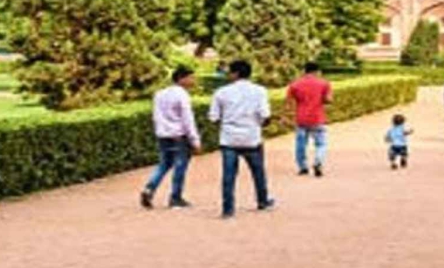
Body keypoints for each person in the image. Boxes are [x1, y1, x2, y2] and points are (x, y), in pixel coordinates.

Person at [209, 60, 276, 218]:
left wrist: (227, 124)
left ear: (235, 74)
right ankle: (262, 200)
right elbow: (266, 115)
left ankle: (228, 209)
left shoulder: (221, 92)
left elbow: (213, 117)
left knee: (228, 175)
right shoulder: (260, 91)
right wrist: (259, 125)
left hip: (229, 138)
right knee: (258, 171)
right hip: (251, 137)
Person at [141, 66, 201, 209]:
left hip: (163, 135)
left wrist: (160, 131)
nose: (193, 81)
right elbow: (187, 119)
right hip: (179, 136)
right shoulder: (182, 95)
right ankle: (175, 197)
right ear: (181, 79)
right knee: (180, 167)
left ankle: (149, 188)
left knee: (164, 165)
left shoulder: (160, 94)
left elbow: (156, 116)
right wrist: (195, 140)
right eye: (190, 77)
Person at [287, 62, 332, 178]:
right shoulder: (324, 84)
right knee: (321, 144)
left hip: (301, 118)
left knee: (300, 144)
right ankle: (318, 161)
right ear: (317, 71)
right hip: (317, 118)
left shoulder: (295, 85)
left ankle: (303, 167)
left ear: (304, 71)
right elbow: (328, 100)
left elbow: (290, 103)